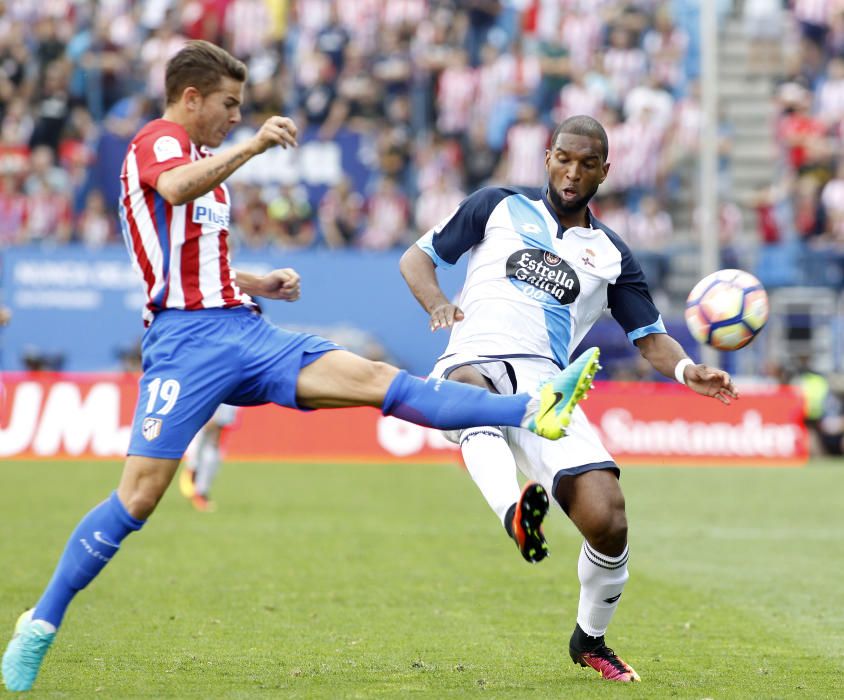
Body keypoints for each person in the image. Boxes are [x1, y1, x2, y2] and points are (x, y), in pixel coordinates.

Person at [0, 41, 598, 693]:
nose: (235, 117)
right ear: (191, 97)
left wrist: (259, 281)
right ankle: (40, 624)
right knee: (137, 498)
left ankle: (532, 409)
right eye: (228, 105)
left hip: (244, 329)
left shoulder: (204, 160)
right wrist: (253, 147)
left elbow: (197, 260)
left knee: (376, 381)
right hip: (185, 344)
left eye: (241, 110)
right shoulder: (158, 142)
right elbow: (172, 192)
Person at [399, 115, 738, 684]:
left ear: (605, 170)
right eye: (564, 158)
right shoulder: (496, 206)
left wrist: (686, 369)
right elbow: (417, 259)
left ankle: (590, 639)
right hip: (472, 360)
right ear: (548, 157)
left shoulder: (611, 255)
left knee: (608, 520)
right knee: (468, 397)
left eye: (587, 163)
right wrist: (436, 303)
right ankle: (516, 514)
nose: (572, 171)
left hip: (546, 388)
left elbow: (649, 336)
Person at [178, 403, 238, 512]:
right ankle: (193, 471)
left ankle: (200, 490)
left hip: (226, 395)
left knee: (214, 439)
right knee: (202, 434)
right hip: (207, 393)